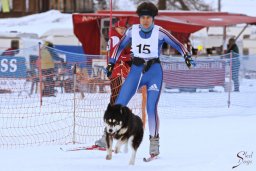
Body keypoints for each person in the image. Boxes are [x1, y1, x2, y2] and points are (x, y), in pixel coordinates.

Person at [105, 2, 195, 157]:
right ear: (139, 18)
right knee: (118, 105)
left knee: (151, 108)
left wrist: (187, 56)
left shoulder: (160, 32)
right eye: (143, 17)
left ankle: (154, 143)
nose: (145, 20)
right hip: (136, 71)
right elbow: (119, 47)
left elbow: (178, 44)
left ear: (153, 18)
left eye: (148, 17)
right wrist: (111, 63)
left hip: (153, 72)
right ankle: (108, 135)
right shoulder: (132, 31)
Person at [95, 19, 132, 147]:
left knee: (118, 102)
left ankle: (112, 135)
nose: (122, 30)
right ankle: (108, 137)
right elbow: (116, 56)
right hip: (117, 71)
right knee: (115, 102)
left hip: (119, 72)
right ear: (115, 28)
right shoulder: (115, 38)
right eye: (120, 28)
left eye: (124, 28)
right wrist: (129, 57)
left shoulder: (120, 38)